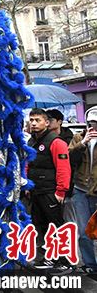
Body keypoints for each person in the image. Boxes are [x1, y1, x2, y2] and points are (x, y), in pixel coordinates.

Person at [27, 108, 71, 270]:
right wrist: (27, 185)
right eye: (31, 120)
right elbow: (29, 164)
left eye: (37, 120)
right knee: (42, 226)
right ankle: (48, 258)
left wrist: (61, 191)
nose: (33, 123)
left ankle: (65, 261)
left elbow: (63, 168)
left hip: (51, 191)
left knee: (57, 226)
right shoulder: (31, 142)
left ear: (47, 123)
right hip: (36, 191)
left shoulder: (56, 142)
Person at [69, 106, 97, 276]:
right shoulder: (79, 137)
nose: (93, 127)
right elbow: (68, 157)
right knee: (83, 231)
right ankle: (90, 265)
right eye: (91, 123)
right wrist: (83, 142)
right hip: (81, 190)